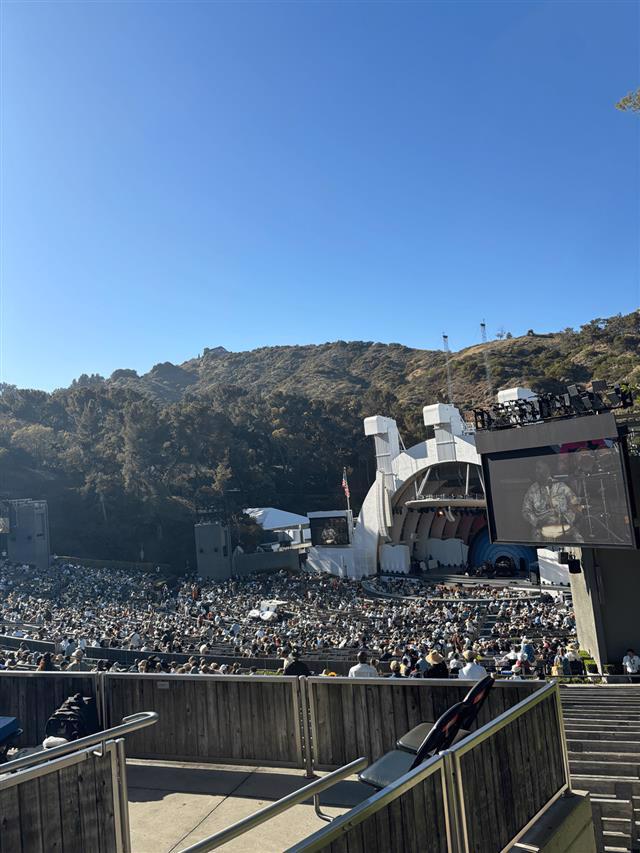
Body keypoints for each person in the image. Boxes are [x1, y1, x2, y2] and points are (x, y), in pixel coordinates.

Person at [522, 460, 583, 542]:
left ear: (548, 468)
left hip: (563, 524)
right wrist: (537, 522)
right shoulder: (532, 490)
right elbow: (525, 511)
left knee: (578, 538)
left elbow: (576, 504)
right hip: (542, 527)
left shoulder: (561, 486)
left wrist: (567, 519)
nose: (536, 471)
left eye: (539, 468)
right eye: (535, 469)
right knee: (538, 537)